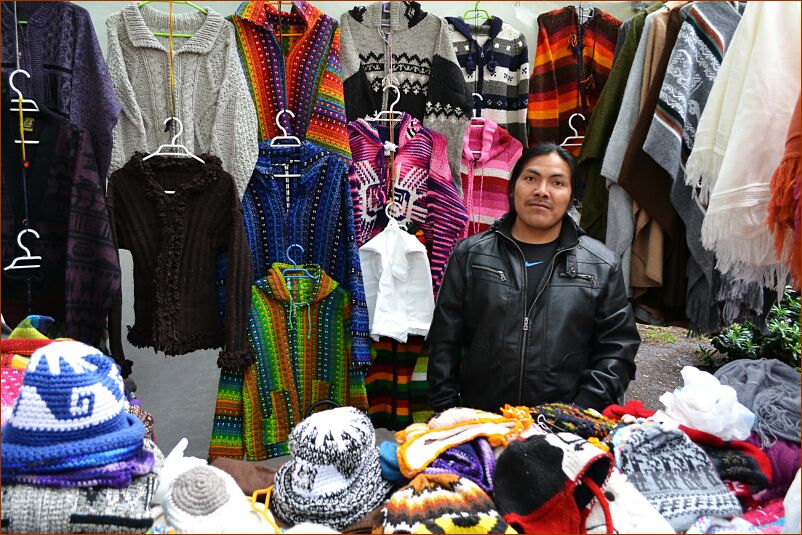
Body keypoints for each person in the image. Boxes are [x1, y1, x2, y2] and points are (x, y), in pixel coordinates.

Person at [427, 143, 640, 413]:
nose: (542, 190)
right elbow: (444, 341)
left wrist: (578, 413)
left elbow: (617, 350)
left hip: (565, 430)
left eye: (557, 182)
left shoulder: (601, 265)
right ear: (513, 186)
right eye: (530, 178)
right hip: (482, 422)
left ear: (572, 194)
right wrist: (448, 411)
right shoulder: (470, 255)